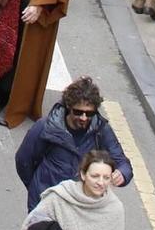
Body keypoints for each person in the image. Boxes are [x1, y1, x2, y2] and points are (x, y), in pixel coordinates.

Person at [15, 76, 133, 210]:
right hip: (46, 203)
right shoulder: (45, 127)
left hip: (80, 206)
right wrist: (36, 187)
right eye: (78, 112)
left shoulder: (101, 130)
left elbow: (122, 162)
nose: (83, 118)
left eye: (89, 113)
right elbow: (23, 160)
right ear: (68, 107)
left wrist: (122, 173)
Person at [22, 151, 125, 230]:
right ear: (83, 174)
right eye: (95, 176)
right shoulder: (59, 197)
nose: (101, 182)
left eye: (106, 178)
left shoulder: (114, 209)